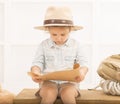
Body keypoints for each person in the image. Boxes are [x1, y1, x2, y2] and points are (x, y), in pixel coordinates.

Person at [30, 6, 88, 104]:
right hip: (48, 82)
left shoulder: (76, 45)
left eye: (63, 34)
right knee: (49, 94)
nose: (58, 38)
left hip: (69, 83)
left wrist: (82, 72)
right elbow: (37, 62)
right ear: (48, 30)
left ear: (70, 30)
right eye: (54, 35)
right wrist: (35, 72)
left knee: (68, 94)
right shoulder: (44, 45)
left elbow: (83, 63)